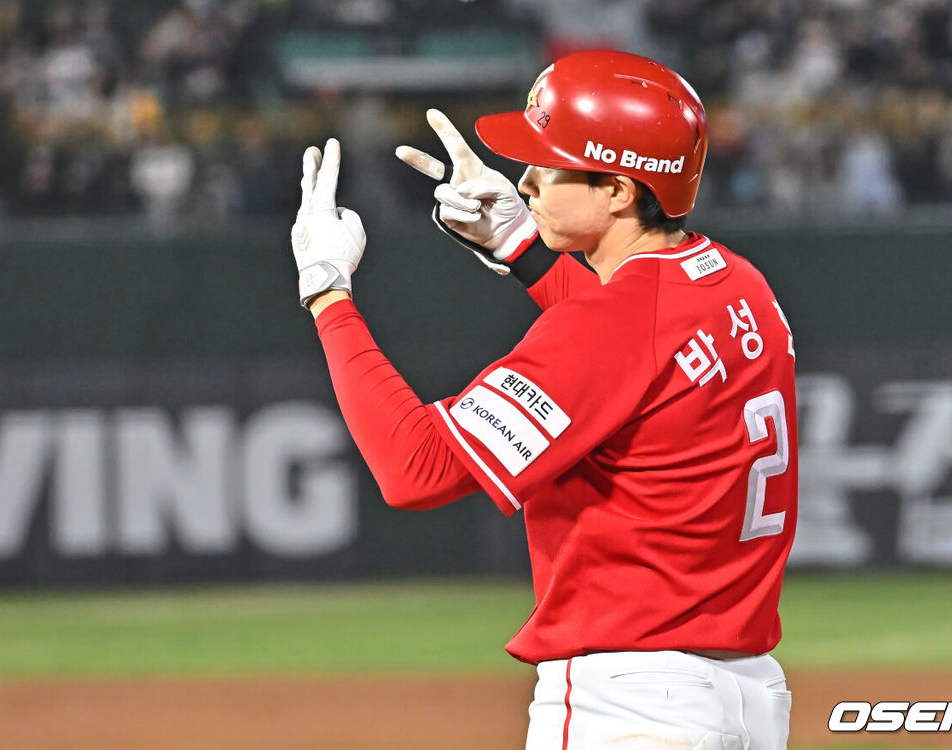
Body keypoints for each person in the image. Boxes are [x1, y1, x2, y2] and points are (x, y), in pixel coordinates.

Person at [289, 50, 797, 750]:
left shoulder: (616, 322)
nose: (524, 180)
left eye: (548, 165)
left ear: (618, 189)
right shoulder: (737, 285)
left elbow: (416, 469)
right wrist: (518, 244)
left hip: (634, 706)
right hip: (747, 693)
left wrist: (326, 291)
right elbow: (627, 351)